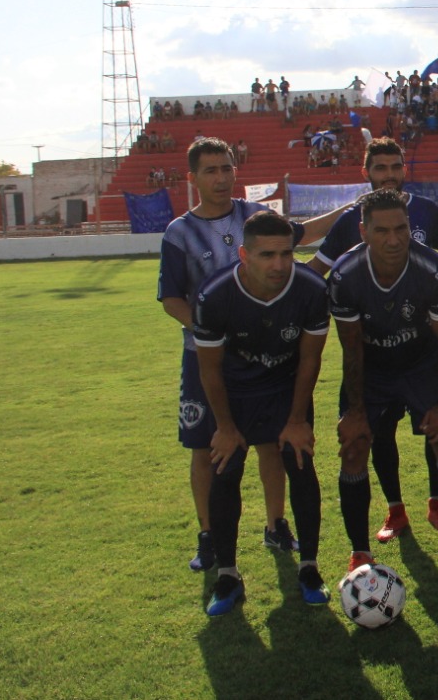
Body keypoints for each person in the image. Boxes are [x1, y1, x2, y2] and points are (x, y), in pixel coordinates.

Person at [158, 138, 344, 573]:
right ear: (193, 179)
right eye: (210, 171)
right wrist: (212, 336)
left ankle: (275, 524)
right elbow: (170, 299)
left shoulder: (256, 217)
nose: (221, 178)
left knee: (272, 443)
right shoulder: (179, 232)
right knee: (208, 447)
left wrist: (352, 210)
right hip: (209, 358)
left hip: (269, 356)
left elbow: (304, 233)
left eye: (226, 168)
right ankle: (209, 536)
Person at [309, 137, 438, 541]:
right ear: (367, 172)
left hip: (422, 347)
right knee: (379, 435)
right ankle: (395, 510)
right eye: (381, 168)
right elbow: (318, 269)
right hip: (372, 355)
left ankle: (437, 501)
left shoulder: (426, 211)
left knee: (436, 429)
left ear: (403, 169)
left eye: (395, 167)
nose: (389, 175)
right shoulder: (351, 221)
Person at [329, 189, 438, 588]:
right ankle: (360, 553)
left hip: (420, 364)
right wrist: (356, 410)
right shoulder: (345, 275)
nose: (393, 240)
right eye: (382, 231)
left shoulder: (433, 270)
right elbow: (352, 346)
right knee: (355, 446)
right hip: (372, 370)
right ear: (363, 231)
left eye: (401, 229)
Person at [193, 211, 330, 615]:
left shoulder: (309, 289)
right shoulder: (214, 295)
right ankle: (228, 576)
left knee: (299, 460)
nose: (279, 264)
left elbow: (310, 360)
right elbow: (209, 369)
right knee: (225, 466)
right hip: (234, 392)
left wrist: (296, 420)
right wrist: (225, 427)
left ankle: (309, 569)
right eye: (267, 255)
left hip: (285, 387)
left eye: (287, 254)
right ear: (243, 255)